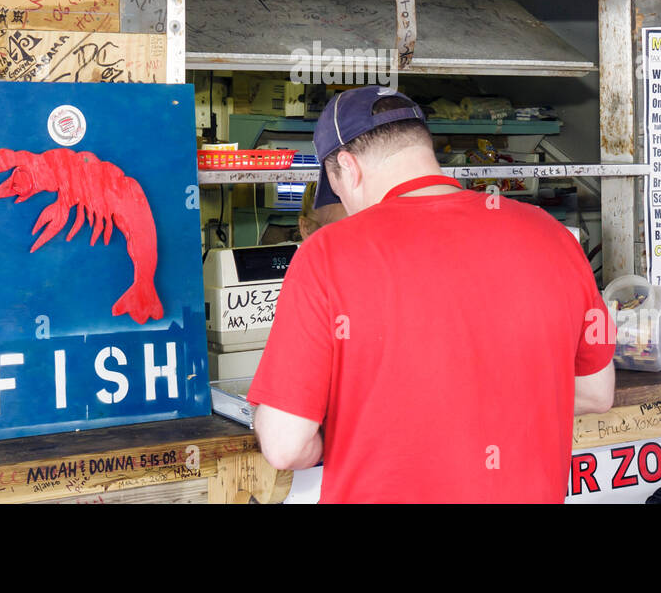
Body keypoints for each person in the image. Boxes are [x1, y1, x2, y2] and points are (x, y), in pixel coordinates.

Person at [247, 85, 614, 502]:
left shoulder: (327, 254)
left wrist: (336, 432)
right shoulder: (551, 235)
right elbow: (595, 393)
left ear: (348, 169)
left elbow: (285, 444)